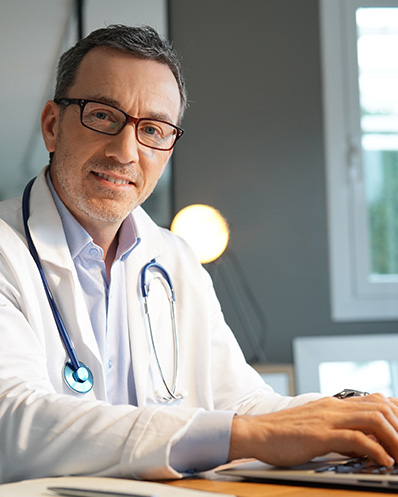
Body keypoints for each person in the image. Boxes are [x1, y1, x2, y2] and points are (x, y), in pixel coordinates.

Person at [0, 24, 397, 485]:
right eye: (104, 116)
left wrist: (349, 417)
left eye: (152, 129)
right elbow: (14, 420)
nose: (125, 151)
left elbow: (244, 405)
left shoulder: (176, 259)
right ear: (52, 126)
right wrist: (245, 435)